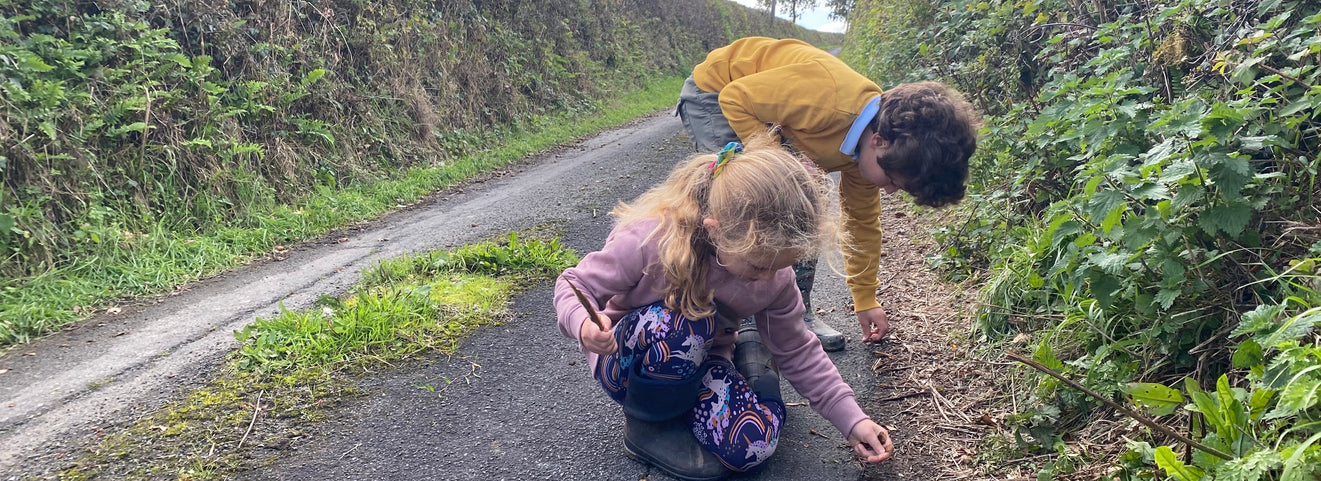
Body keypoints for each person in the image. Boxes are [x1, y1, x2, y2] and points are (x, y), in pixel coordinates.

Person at [553, 139, 894, 480]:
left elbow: (798, 350)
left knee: (753, 447)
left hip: (707, 360)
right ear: (716, 230)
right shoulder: (650, 239)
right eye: (758, 265)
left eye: (779, 267)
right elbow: (574, 285)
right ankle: (647, 426)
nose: (767, 278)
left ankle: (756, 372)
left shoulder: (776, 279)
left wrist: (853, 420)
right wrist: (583, 323)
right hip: (629, 360)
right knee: (687, 325)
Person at [676, 36, 981, 349]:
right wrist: (779, 165)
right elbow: (735, 98)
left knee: (806, 203)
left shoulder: (871, 152)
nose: (888, 191)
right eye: (892, 179)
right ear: (879, 141)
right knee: (743, 202)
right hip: (715, 94)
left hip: (765, 110)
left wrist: (865, 299)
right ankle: (710, 312)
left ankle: (796, 313)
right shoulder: (828, 100)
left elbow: (862, 224)